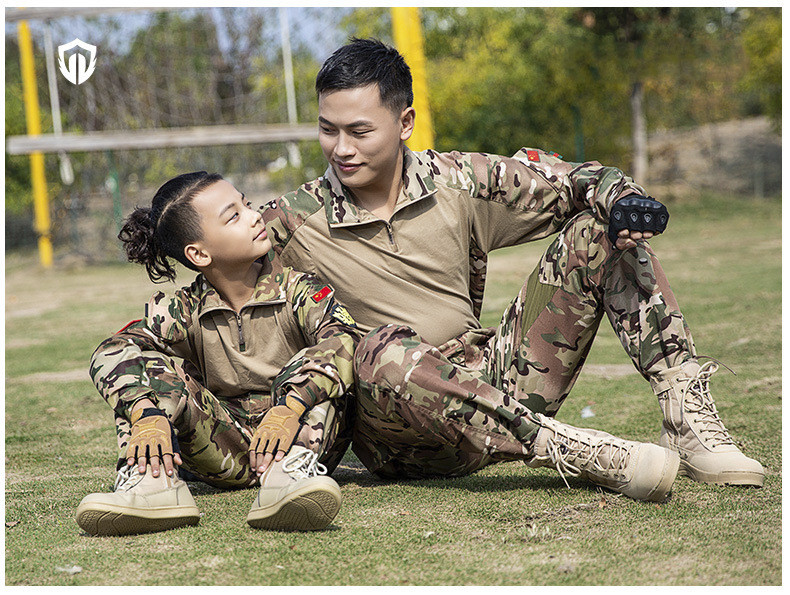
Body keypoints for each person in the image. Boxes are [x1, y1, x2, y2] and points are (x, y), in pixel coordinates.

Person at [260, 37, 764, 488]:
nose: (341, 150)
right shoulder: (293, 220)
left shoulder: (456, 180)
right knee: (377, 350)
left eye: (359, 131)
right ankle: (572, 450)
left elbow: (576, 180)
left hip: (493, 381)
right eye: (328, 131)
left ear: (405, 122)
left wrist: (623, 199)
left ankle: (686, 420)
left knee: (600, 234)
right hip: (399, 426)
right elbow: (207, 263)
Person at [76, 171, 359, 536]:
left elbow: (345, 339)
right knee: (139, 373)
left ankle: (287, 480)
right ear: (198, 253)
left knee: (323, 365)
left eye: (247, 204)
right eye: (234, 216)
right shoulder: (185, 307)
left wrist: (290, 407)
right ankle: (155, 486)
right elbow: (112, 350)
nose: (255, 216)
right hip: (225, 447)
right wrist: (145, 414)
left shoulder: (298, 289)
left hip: (301, 438)